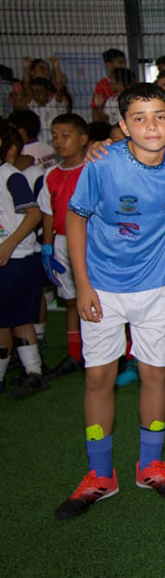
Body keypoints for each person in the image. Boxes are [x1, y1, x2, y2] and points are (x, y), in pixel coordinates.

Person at [55, 82, 165, 520]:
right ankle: (100, 474)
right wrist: (83, 286)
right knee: (99, 377)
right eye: (139, 118)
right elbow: (76, 219)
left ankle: (150, 465)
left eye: (159, 116)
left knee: (155, 374)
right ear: (123, 125)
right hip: (102, 289)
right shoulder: (102, 163)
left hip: (154, 289)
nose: (151, 126)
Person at [37, 113, 89, 379]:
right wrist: (47, 249)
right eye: (55, 136)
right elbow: (48, 212)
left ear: (83, 139)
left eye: (65, 136)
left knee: (100, 299)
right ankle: (74, 354)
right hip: (61, 242)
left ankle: (118, 355)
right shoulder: (51, 174)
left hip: (91, 241)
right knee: (70, 301)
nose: (59, 141)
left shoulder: (92, 170)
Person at [0, 118, 46, 398]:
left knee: (17, 319)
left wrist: (9, 244)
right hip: (7, 258)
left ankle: (34, 373)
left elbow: (35, 213)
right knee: (5, 320)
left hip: (17, 258)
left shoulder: (10, 176)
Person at [91, 48, 126, 122]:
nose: (123, 65)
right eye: (120, 62)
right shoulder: (101, 85)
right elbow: (96, 108)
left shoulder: (131, 79)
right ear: (109, 64)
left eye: (124, 62)